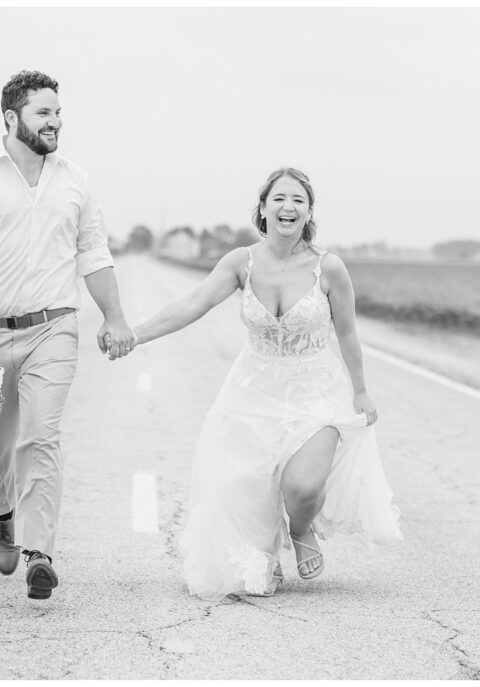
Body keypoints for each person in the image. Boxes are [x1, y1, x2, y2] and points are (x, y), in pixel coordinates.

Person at [128, 167, 402, 600]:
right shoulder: (242, 262)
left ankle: (300, 527)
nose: (288, 207)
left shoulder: (329, 268)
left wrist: (361, 390)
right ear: (263, 207)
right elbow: (193, 303)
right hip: (253, 389)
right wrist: (137, 334)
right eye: (279, 198)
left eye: (298, 200)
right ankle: (264, 556)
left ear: (309, 211)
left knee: (302, 486)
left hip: (316, 390)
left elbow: (347, 334)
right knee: (248, 488)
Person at [0, 70, 137, 600]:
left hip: (53, 329)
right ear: (12, 118)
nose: (55, 122)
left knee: (41, 436)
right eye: (44, 113)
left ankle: (40, 552)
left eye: (58, 113)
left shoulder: (76, 181)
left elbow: (94, 254)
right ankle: (2, 516)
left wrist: (114, 316)